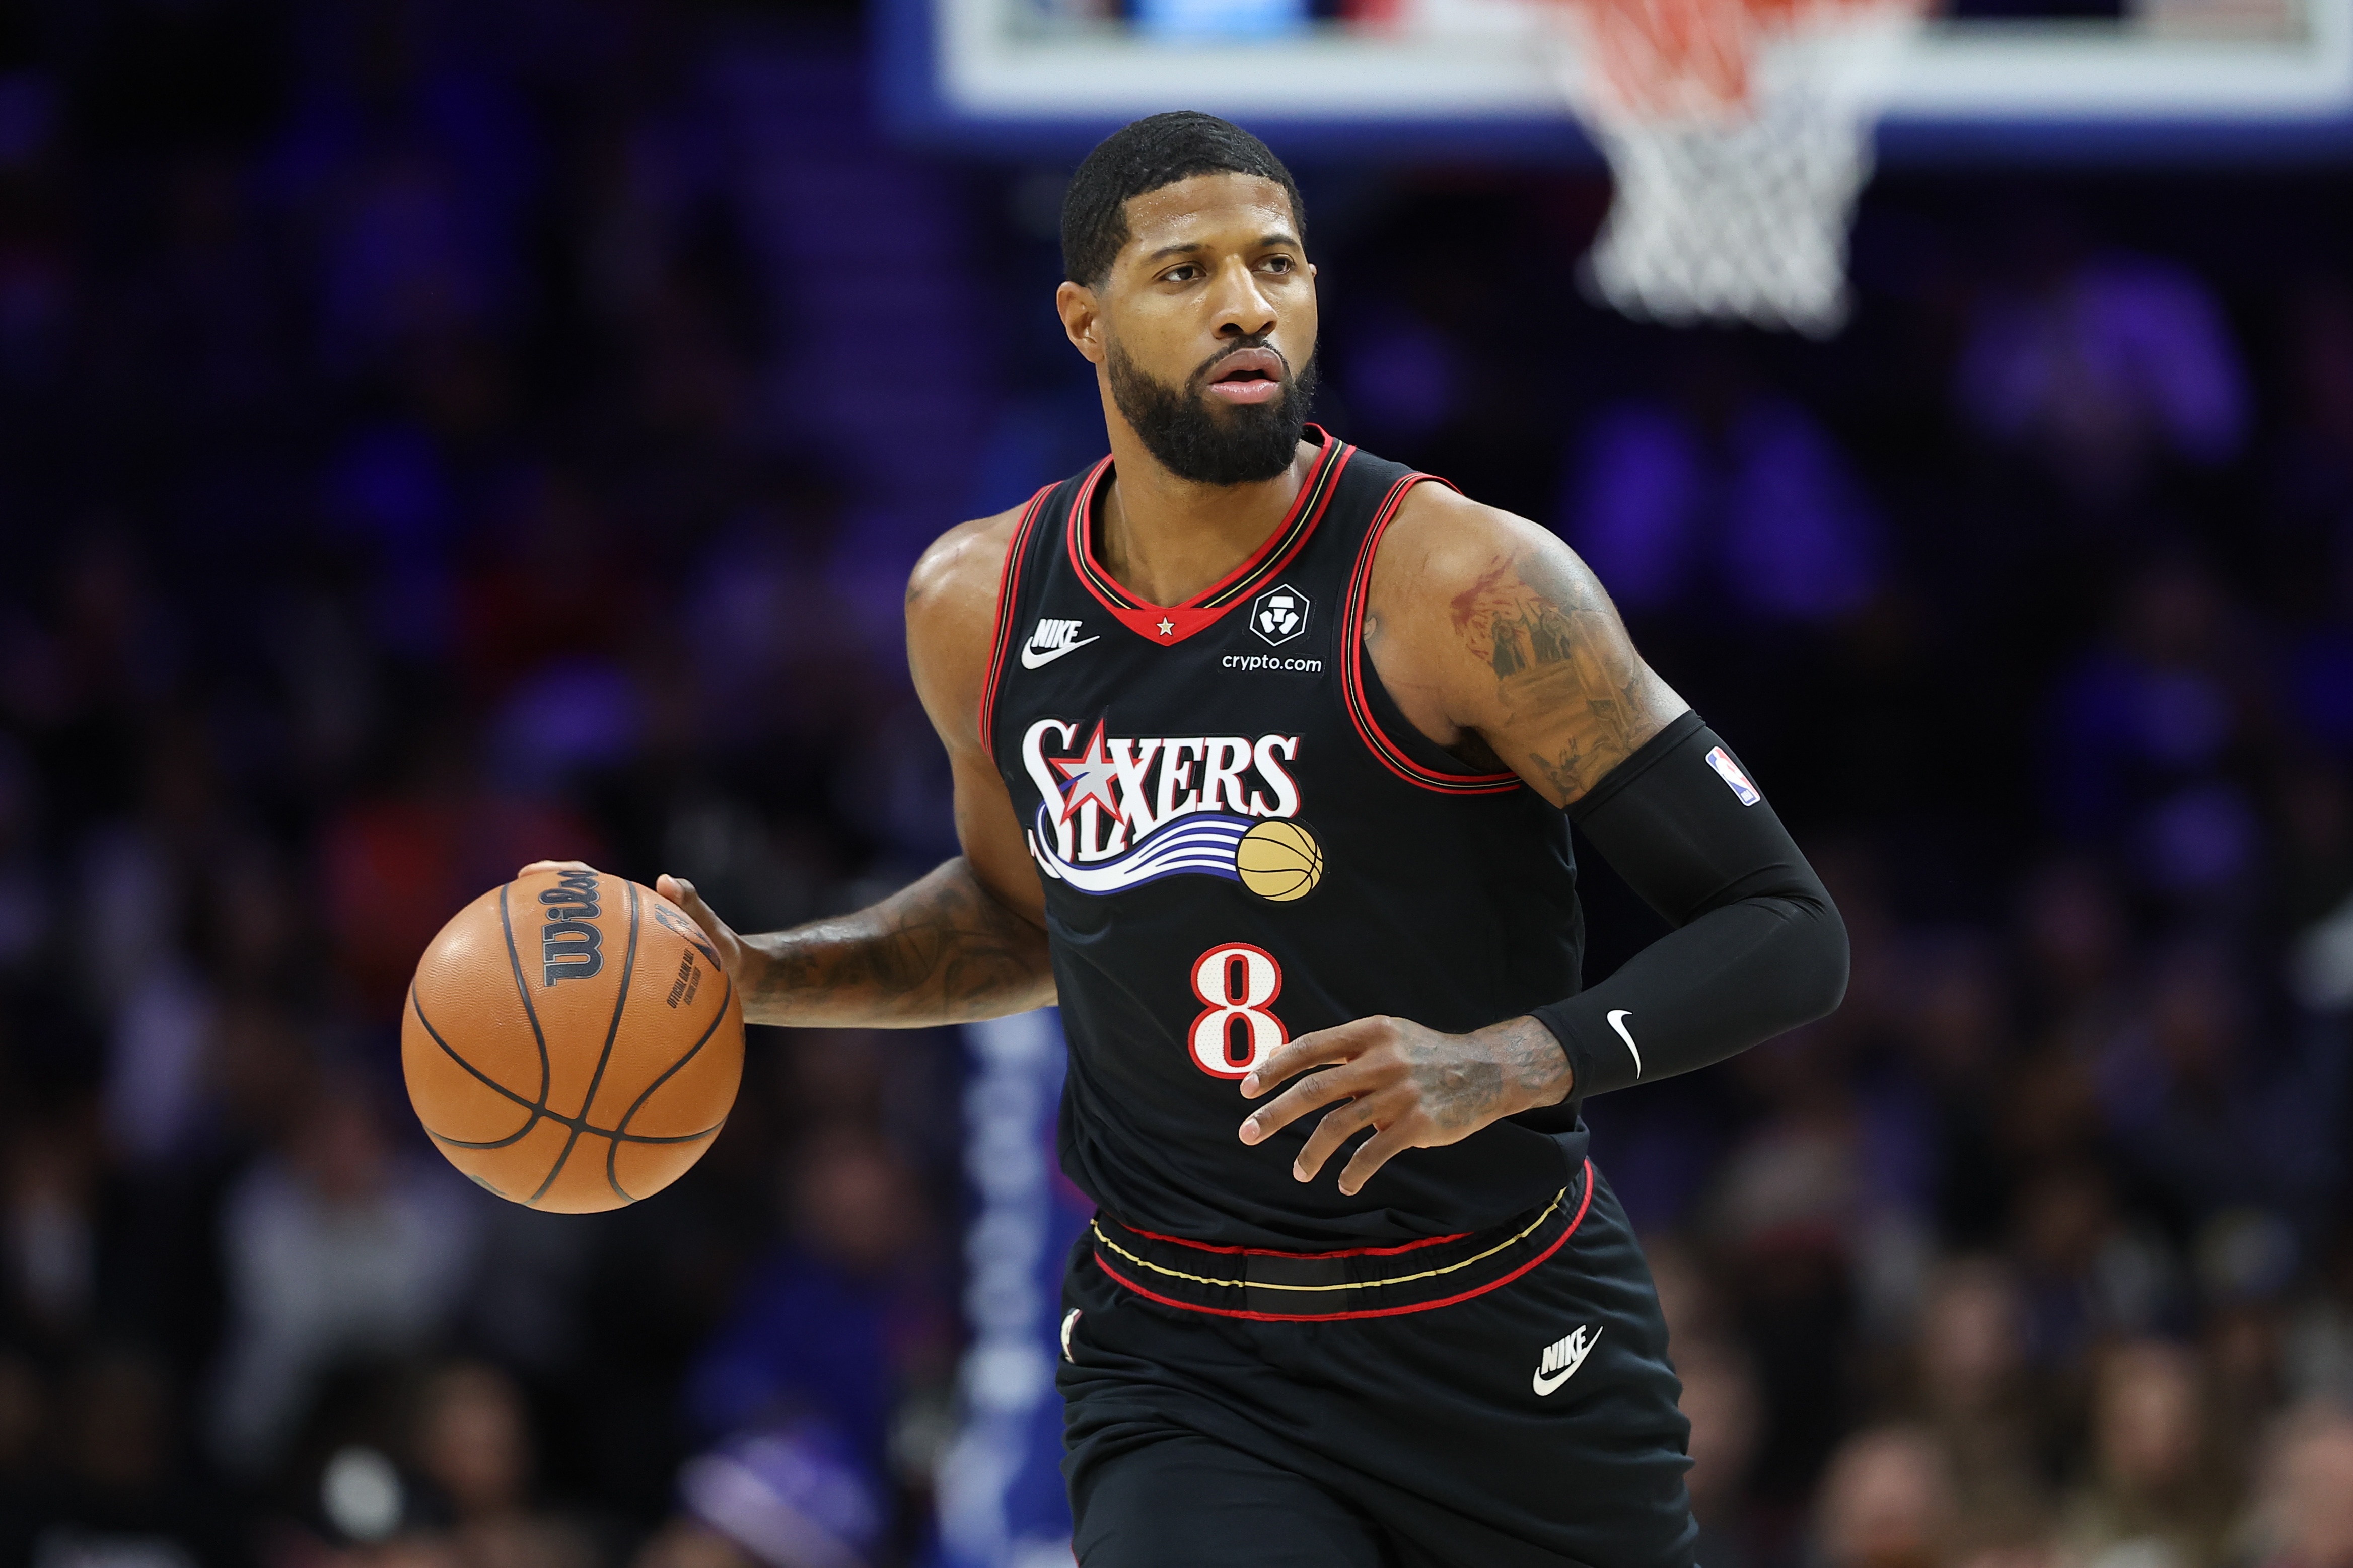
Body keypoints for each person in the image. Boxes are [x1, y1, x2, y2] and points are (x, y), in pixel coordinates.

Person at [532, 111, 1847, 1567]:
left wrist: (1509, 1060)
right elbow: (1022, 917)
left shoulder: (1464, 586)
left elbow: (1785, 928)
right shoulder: (976, 603)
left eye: (1276, 263)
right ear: (1082, 321)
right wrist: (759, 974)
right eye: (1185, 271)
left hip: (1499, 1327)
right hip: (1185, 1359)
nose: (1245, 304)